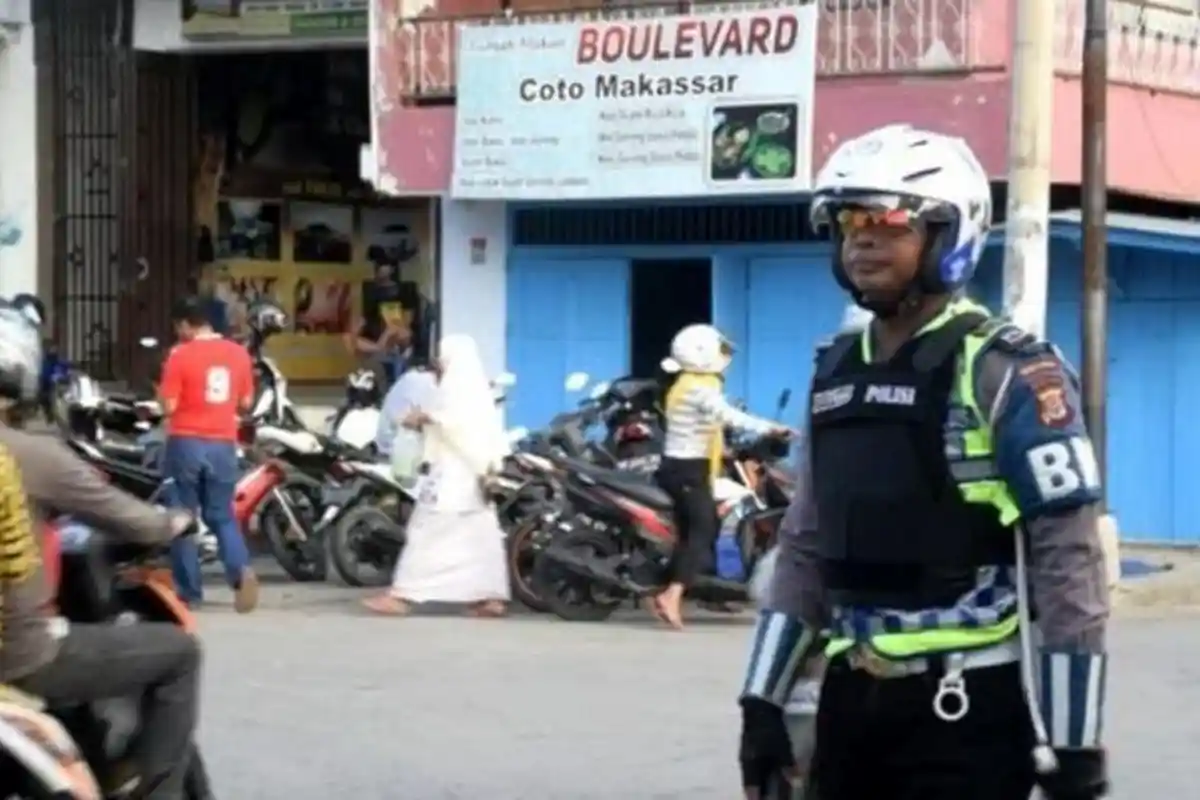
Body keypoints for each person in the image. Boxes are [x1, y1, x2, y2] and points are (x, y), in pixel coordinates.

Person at [737, 124, 1109, 800]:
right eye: (849, 220)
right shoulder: (835, 369)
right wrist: (760, 703)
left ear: (949, 235)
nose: (863, 238)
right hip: (850, 704)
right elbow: (806, 542)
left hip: (963, 709)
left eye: (888, 221)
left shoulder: (1008, 370)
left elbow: (1068, 555)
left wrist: (1075, 741)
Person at [0, 303, 202, 799]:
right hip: (19, 653)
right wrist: (172, 524)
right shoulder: (29, 455)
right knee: (180, 653)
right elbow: (129, 517)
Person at [363, 334, 511, 618]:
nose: (438, 364)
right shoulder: (474, 390)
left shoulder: (458, 389)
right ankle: (488, 597)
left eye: (442, 358)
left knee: (425, 534)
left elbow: (452, 422)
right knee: (478, 541)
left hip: (454, 476)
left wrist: (423, 418)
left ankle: (403, 594)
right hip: (476, 477)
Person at [653, 324, 789, 630]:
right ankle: (672, 595)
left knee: (688, 532)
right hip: (688, 469)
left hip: (683, 466)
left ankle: (665, 588)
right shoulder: (698, 387)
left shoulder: (689, 382)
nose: (725, 355)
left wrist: (725, 450)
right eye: (720, 349)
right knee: (704, 529)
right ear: (702, 353)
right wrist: (770, 427)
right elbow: (726, 415)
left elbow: (705, 425)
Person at [159, 296, 258, 612]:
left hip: (186, 441)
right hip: (223, 443)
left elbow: (169, 405)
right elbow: (245, 402)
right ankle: (240, 571)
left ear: (187, 325)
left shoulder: (180, 355)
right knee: (221, 514)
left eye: (179, 327)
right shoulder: (239, 354)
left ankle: (190, 592)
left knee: (182, 516)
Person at [346, 263, 413, 390]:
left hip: (394, 339)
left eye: (390, 285)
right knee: (351, 338)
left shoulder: (404, 300)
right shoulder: (371, 307)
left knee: (399, 333)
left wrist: (393, 331)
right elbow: (353, 338)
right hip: (377, 339)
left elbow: (406, 330)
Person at [374, 350, 438, 458]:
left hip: (404, 448)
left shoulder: (419, 378)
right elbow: (413, 421)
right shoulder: (422, 381)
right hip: (396, 452)